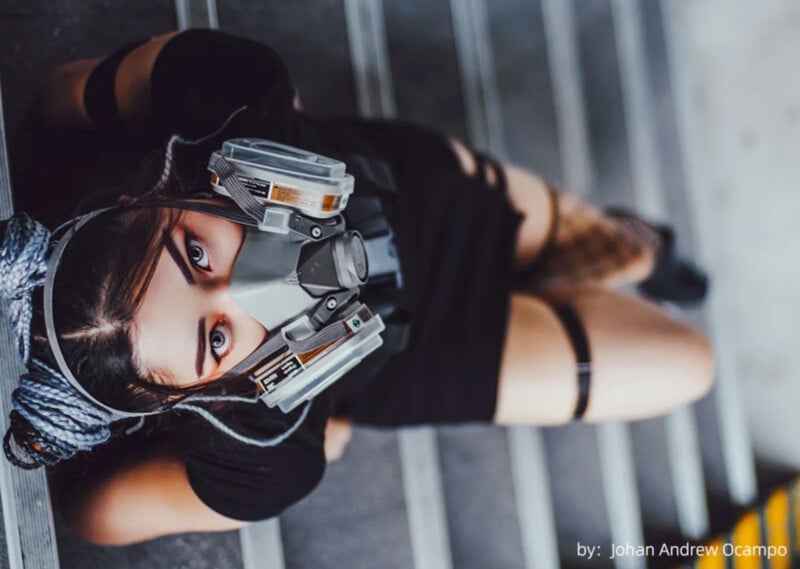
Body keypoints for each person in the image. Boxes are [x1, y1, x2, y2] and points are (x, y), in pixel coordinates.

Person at [0, 29, 713, 546]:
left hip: (417, 196)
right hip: (424, 352)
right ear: (190, 396)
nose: (255, 287)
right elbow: (90, 512)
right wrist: (313, 444)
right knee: (687, 364)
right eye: (216, 336)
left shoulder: (219, 94)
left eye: (196, 251)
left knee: (600, 240)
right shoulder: (261, 448)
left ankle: (631, 250)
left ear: (151, 197)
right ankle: (601, 257)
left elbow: (66, 95)